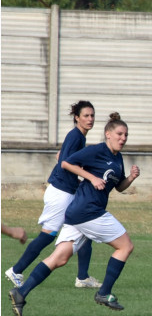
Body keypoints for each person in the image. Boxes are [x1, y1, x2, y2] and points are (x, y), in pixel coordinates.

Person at [8, 112, 140, 316]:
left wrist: (130, 177)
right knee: (125, 246)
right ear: (108, 134)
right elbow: (66, 163)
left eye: (126, 135)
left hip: (78, 213)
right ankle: (104, 293)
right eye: (120, 134)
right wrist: (91, 177)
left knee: (59, 258)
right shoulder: (97, 151)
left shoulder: (117, 158)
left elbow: (119, 187)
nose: (123, 138)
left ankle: (21, 293)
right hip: (89, 211)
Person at [5, 101, 100, 289]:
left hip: (65, 191)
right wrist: (88, 177)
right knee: (48, 235)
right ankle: (16, 270)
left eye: (92, 115)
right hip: (61, 194)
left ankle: (83, 278)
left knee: (85, 230)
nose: (90, 119)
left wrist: (77, 177)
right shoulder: (76, 136)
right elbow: (65, 162)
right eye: (86, 115)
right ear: (77, 117)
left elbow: (60, 157)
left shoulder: (78, 137)